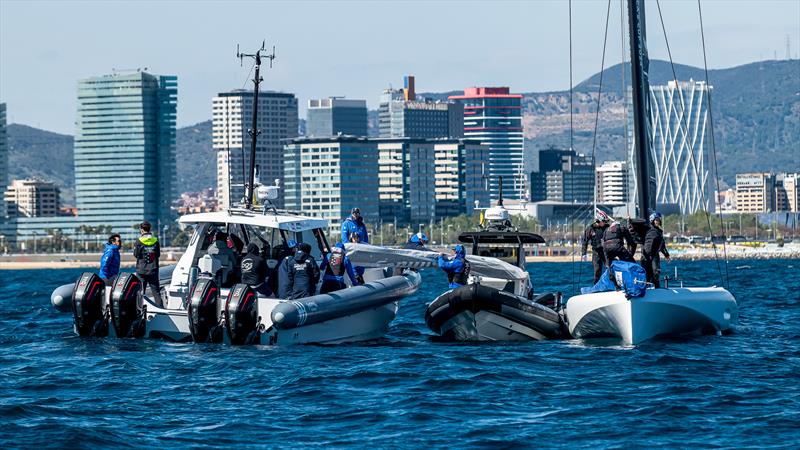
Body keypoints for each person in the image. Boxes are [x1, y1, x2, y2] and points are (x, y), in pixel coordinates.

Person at [133, 221, 162, 307]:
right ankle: (160, 310)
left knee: (141, 292)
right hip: (153, 270)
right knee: (156, 292)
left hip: (141, 271)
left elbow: (136, 255)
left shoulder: (138, 241)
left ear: (141, 230)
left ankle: (140, 309)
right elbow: (158, 255)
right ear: (149, 229)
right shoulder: (155, 241)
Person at [641, 212, 671, 288]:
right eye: (656, 220)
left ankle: (657, 288)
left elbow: (662, 244)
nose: (658, 222)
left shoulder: (659, 232)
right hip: (645, 255)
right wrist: (629, 220)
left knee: (656, 273)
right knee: (646, 274)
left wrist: (666, 254)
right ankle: (645, 288)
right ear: (652, 220)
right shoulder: (646, 230)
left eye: (659, 220)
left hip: (654, 255)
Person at [581, 212, 610, 283]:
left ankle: (614, 284)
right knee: (597, 270)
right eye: (604, 221)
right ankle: (596, 285)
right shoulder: (590, 229)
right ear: (598, 220)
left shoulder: (607, 227)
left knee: (610, 267)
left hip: (605, 251)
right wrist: (584, 254)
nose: (605, 223)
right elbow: (585, 241)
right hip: (596, 252)